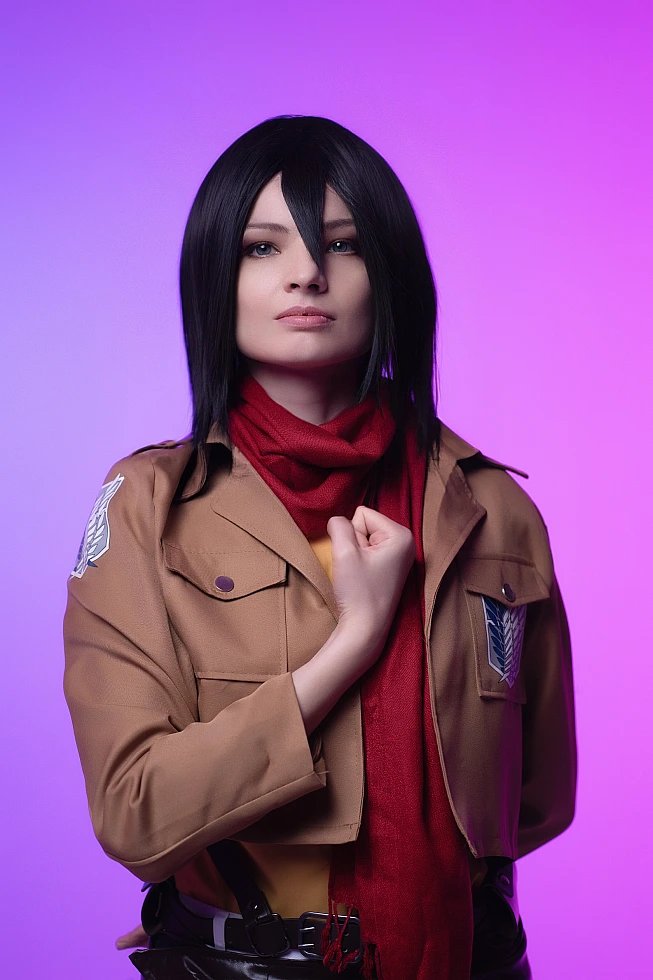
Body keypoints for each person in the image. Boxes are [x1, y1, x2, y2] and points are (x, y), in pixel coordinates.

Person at [63, 115, 577, 980]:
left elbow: (535, 800)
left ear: (390, 274)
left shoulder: (491, 507)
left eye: (342, 244)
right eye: (262, 248)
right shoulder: (150, 506)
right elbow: (135, 811)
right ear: (214, 277)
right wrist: (351, 649)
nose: (306, 273)